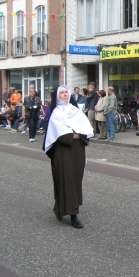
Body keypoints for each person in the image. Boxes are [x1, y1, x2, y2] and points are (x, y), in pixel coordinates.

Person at [44, 85, 94, 228]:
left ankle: (68, 209)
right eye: (62, 93)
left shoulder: (75, 111)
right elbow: (60, 134)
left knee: (75, 180)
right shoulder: (56, 113)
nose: (65, 95)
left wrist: (76, 134)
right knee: (65, 179)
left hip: (77, 150)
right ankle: (72, 215)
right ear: (57, 96)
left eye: (67, 92)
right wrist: (75, 134)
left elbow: (85, 130)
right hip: (63, 152)